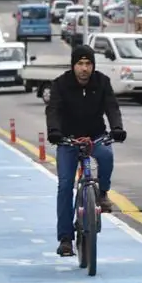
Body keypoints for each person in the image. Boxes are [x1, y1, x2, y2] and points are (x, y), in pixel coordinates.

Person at [45, 44, 126, 257]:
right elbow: (53, 110)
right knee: (64, 186)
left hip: (96, 136)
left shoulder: (102, 82)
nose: (84, 68)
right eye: (80, 64)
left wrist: (117, 128)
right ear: (73, 65)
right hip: (68, 140)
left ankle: (102, 193)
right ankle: (65, 238)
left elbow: (112, 107)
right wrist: (54, 132)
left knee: (107, 154)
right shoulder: (60, 84)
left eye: (88, 64)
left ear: (93, 65)